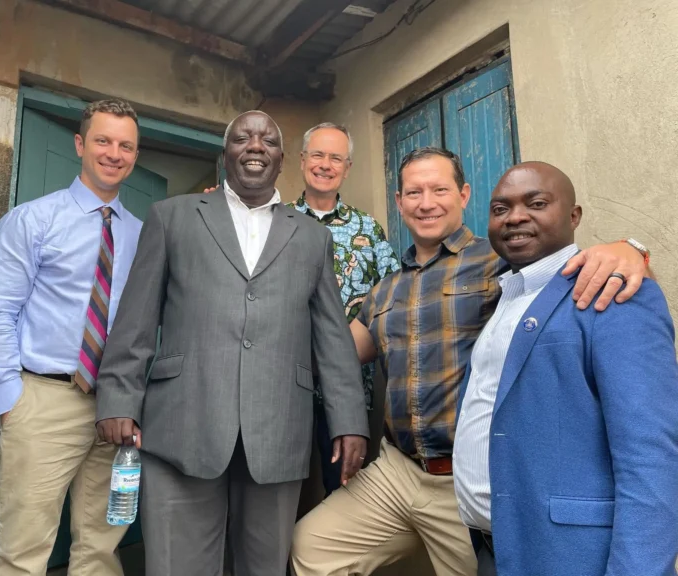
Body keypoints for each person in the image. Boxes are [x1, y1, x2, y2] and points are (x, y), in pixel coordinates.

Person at [290, 147, 650, 576]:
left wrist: (630, 248)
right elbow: (335, 356)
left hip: (469, 480)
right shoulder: (385, 289)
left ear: (463, 195)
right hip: (397, 471)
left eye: (439, 189)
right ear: (399, 201)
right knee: (309, 546)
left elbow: (576, 269)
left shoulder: (502, 261)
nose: (426, 203)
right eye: (414, 192)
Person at [94, 110, 369, 576]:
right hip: (183, 423)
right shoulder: (172, 216)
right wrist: (118, 396)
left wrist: (350, 420)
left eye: (267, 139)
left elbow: (332, 339)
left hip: (278, 430)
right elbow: (136, 318)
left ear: (283, 159)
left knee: (263, 567)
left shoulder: (313, 238)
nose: (255, 145)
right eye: (242, 138)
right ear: (226, 154)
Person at [453, 162, 678, 576]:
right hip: (495, 547)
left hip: (570, 554)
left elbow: (651, 458)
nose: (515, 216)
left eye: (536, 203)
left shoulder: (615, 289)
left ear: (574, 217)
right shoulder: (505, 292)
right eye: (500, 209)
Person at [0, 99, 144, 576]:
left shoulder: (144, 237)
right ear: (79, 144)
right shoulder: (32, 221)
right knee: (22, 552)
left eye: (125, 145)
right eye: (103, 140)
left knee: (102, 550)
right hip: (43, 399)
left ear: (135, 154)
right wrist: (11, 401)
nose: (114, 153)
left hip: (115, 407)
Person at [289, 122, 400, 496]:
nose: (325, 164)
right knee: (283, 492)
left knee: (344, 492)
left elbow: (393, 296)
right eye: (318, 155)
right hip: (285, 385)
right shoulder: (275, 221)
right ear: (303, 161)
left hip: (350, 388)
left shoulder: (368, 230)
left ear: (347, 167)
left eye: (335, 157)